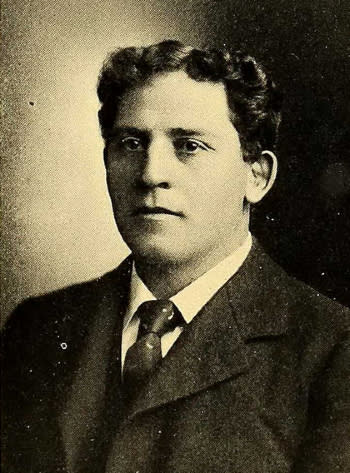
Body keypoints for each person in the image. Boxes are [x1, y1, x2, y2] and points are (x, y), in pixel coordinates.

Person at [2, 40, 349, 473]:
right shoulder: (36, 329)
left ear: (256, 176)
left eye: (188, 146)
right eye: (131, 143)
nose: (151, 174)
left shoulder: (332, 350)